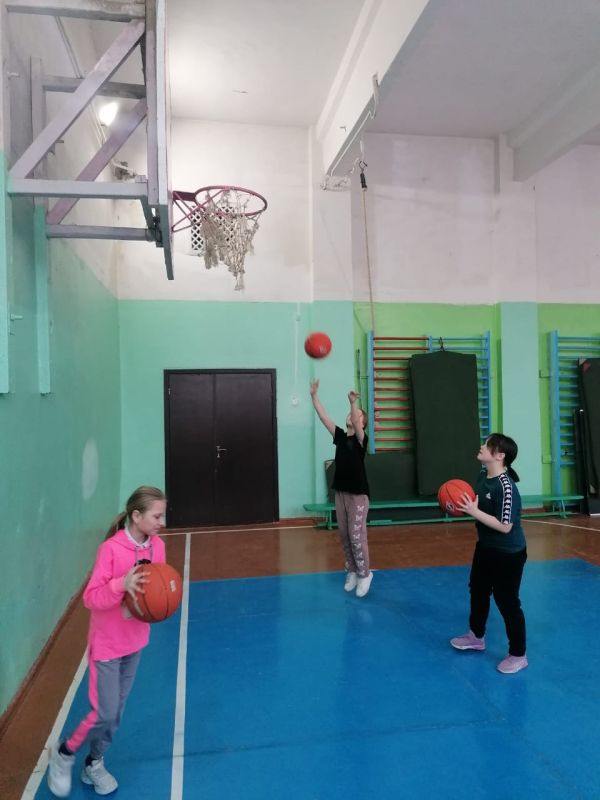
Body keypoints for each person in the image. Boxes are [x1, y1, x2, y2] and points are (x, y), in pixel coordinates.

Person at [47, 486, 167, 797]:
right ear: (136, 516)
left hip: (135, 642)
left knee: (116, 714)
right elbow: (91, 599)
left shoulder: (158, 548)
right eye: (156, 516)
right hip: (107, 646)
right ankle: (64, 752)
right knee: (104, 712)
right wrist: (121, 584)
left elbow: (155, 593)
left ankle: (94, 762)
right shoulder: (111, 550)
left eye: (162, 516)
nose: (161, 522)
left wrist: (161, 601)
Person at [450, 434, 528, 674]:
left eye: (487, 445)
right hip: (485, 547)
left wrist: (473, 511)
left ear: (500, 455)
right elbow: (477, 504)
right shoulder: (483, 476)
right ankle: (476, 636)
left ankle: (518, 655)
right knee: (478, 590)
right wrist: (457, 504)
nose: (481, 446)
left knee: (507, 601)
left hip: (509, 553)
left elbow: (505, 526)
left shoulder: (506, 486)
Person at [310, 379, 373, 597]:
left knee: (356, 536)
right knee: (345, 536)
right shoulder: (339, 437)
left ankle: (365, 574)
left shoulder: (361, 440)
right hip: (341, 493)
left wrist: (353, 404)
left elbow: (355, 421)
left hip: (358, 496)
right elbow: (324, 417)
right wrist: (314, 396)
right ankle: (353, 570)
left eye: (358, 417)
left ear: (362, 424)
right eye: (352, 415)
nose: (352, 417)